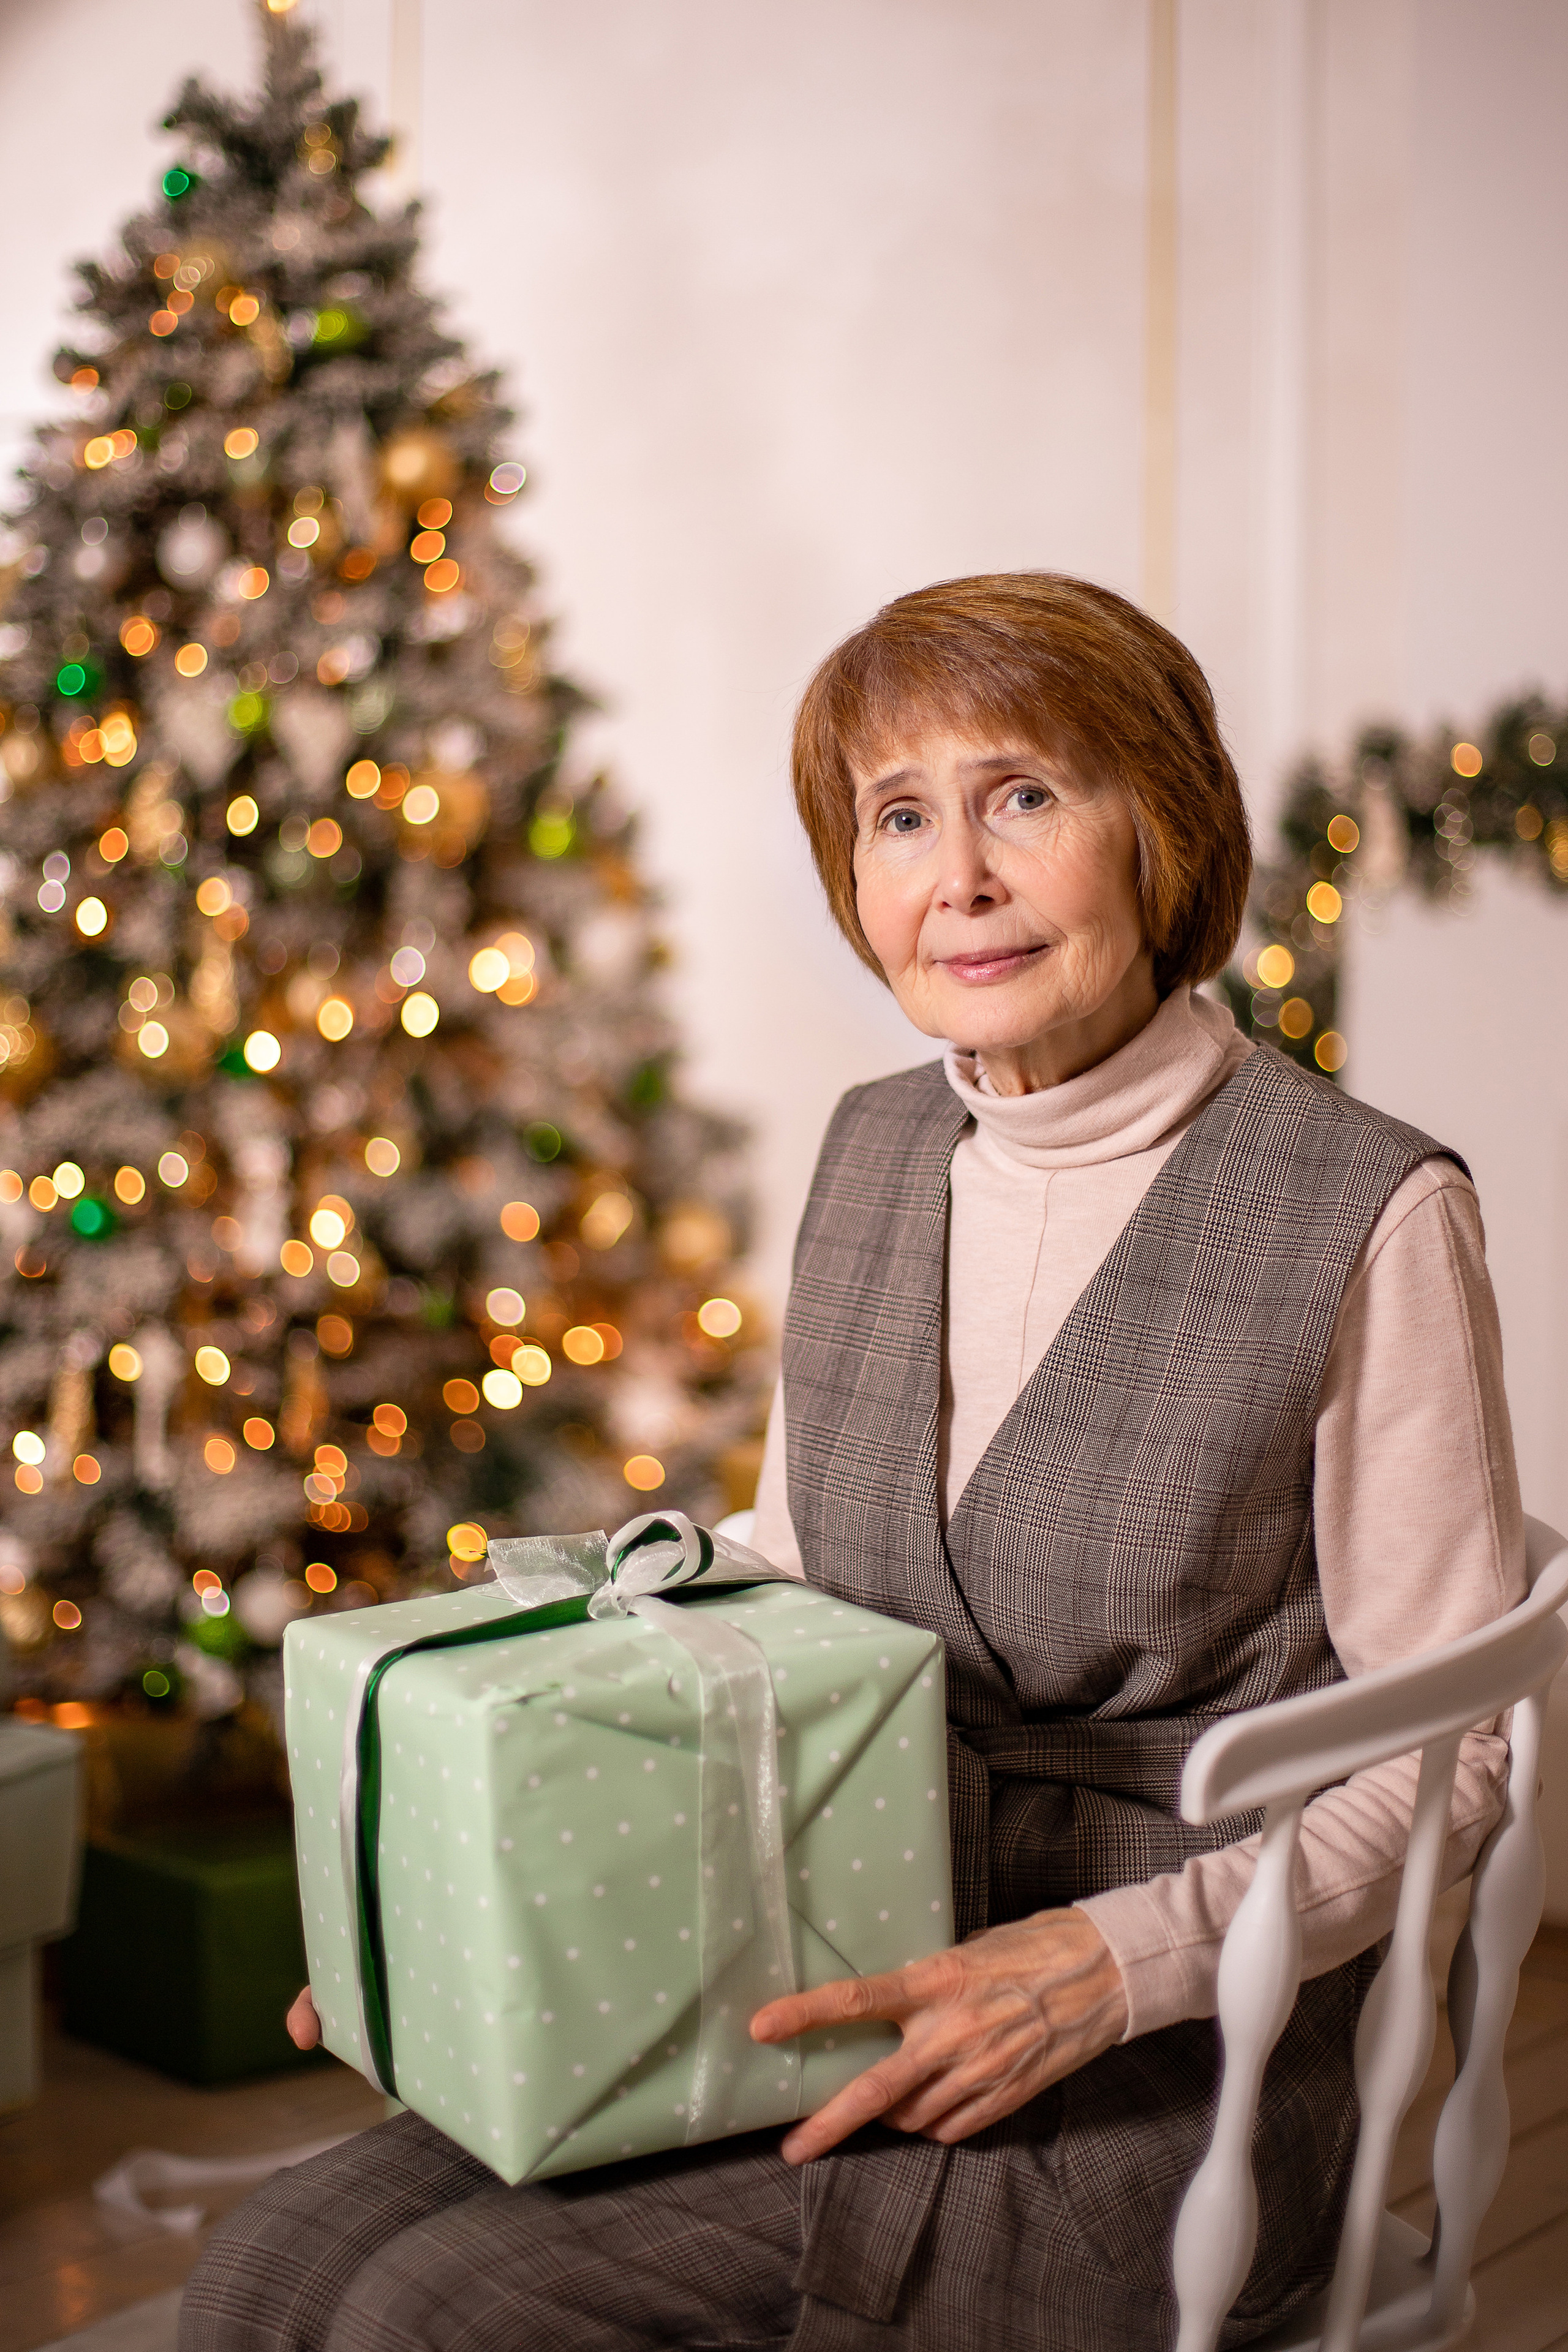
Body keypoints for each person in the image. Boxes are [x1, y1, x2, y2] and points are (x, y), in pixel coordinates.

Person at [181, 575, 1521, 2351]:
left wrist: (1121, 1964)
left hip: (1179, 2035)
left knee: (430, 2314)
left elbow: (1458, 1740)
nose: (957, 875)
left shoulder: (1365, 1207)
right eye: (901, 818)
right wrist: (478, 1866)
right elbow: (796, 1574)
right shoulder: (876, 1151)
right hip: (839, 1898)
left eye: (1025, 796)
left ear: (1165, 830)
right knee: (274, 2264)